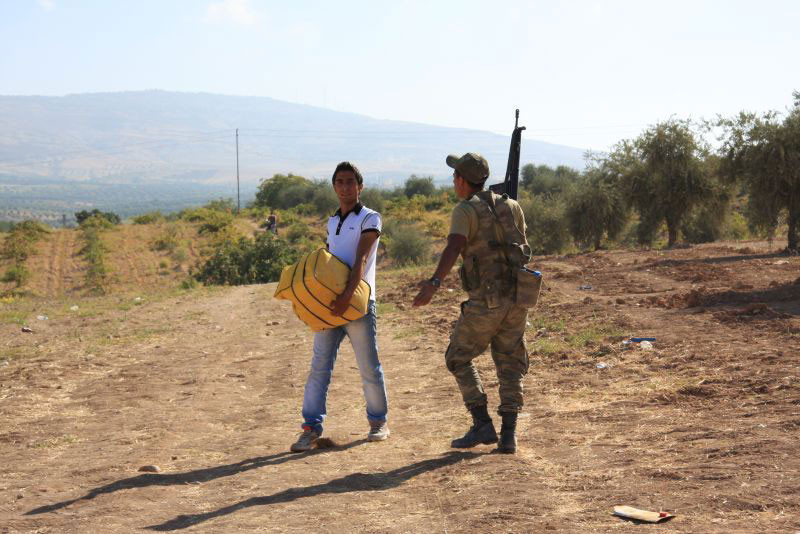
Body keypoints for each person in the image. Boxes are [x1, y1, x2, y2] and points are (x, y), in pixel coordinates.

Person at [413, 152, 531, 454]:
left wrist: (434, 282)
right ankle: (509, 435)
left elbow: (455, 245)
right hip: (518, 299)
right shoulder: (512, 206)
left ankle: (481, 423)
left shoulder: (465, 210)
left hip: (486, 302)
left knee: (457, 357)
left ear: (462, 180)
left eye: (455, 176)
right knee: (510, 363)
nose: (453, 181)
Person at [290, 161, 389, 452]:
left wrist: (347, 295)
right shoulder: (332, 222)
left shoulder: (371, 218)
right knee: (319, 368)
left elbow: (361, 258)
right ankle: (310, 429)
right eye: (340, 182)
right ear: (334, 187)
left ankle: (378, 422)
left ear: (360, 186)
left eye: (350, 182)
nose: (345, 187)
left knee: (369, 367)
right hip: (330, 307)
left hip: (359, 303)